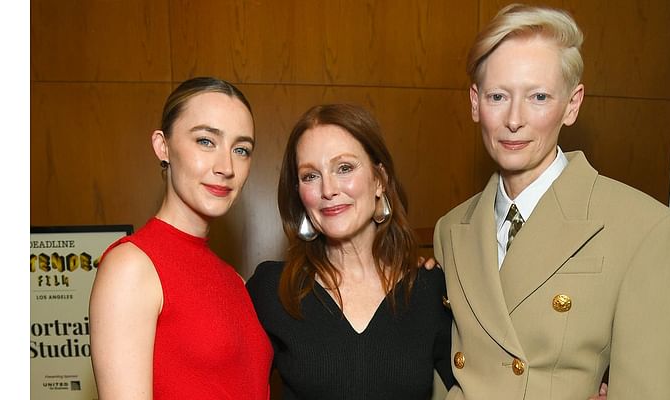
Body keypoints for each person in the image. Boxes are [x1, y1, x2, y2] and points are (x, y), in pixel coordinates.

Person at [432, 4, 670, 399]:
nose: (514, 119)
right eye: (498, 96)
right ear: (474, 102)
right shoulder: (450, 229)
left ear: (572, 104)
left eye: (538, 96)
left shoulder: (645, 228)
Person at [247, 103, 455, 399]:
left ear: (379, 180)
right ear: (299, 193)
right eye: (310, 176)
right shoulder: (273, 290)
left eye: (344, 168)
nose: (328, 189)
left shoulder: (429, 288)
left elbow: (483, 381)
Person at [89, 77, 273, 399]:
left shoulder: (233, 279)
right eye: (205, 141)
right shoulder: (132, 266)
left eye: (241, 149)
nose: (226, 166)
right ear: (163, 147)